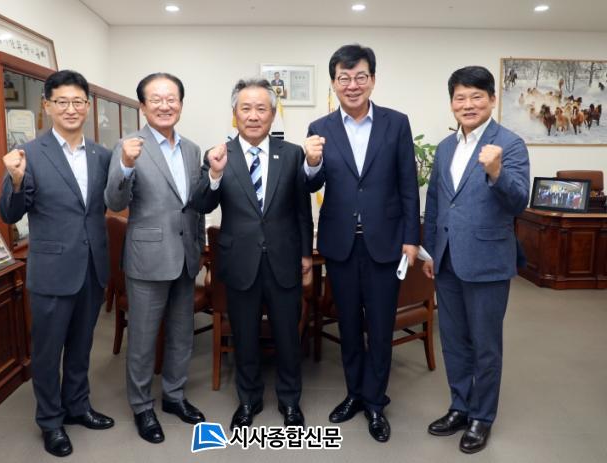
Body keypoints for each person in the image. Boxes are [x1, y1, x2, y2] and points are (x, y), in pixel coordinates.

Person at [302, 44, 420, 443]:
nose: (352, 85)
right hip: (340, 244)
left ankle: (375, 401)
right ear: (334, 83)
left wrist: (411, 238)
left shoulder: (396, 123)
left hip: (385, 243)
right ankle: (354, 393)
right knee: (349, 325)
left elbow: (408, 185)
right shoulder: (319, 127)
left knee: (380, 327)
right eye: (344, 78)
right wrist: (311, 162)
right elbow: (312, 184)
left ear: (372, 79)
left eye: (360, 77)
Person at [0, 70, 114, 458]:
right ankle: (50, 421)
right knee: (48, 352)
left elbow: (109, 203)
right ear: (46, 106)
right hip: (51, 271)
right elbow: (10, 213)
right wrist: (16, 181)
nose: (70, 109)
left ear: (88, 106)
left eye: (77, 101)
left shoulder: (101, 155)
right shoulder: (29, 154)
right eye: (61, 101)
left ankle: (77, 405)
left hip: (92, 268)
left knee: (82, 346)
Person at [190, 78, 313, 430]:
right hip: (240, 261)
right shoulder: (218, 154)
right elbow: (202, 202)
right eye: (246, 108)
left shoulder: (292, 154)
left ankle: (290, 401)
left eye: (261, 108)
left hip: (283, 259)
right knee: (244, 336)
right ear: (235, 113)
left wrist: (306, 254)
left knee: (288, 336)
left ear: (272, 114)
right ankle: (248, 400)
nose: (254, 115)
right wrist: (214, 174)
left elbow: (301, 209)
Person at [422, 66, 530, 454]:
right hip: (447, 260)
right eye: (460, 97)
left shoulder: (510, 144)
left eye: (476, 97)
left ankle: (482, 417)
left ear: (492, 99)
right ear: (452, 103)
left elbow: (519, 201)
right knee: (453, 341)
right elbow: (437, 202)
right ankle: (460, 406)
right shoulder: (445, 147)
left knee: (485, 345)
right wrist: (431, 251)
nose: (467, 104)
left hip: (487, 260)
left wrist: (496, 172)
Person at [104, 72, 206, 445]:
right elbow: (114, 201)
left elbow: (195, 205)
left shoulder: (192, 149)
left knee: (182, 334)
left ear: (181, 103)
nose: (165, 106)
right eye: (156, 99)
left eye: (171, 99)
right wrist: (126, 165)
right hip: (148, 258)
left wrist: (198, 246)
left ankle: (174, 396)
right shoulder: (128, 146)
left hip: (185, 257)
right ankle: (142, 406)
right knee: (144, 340)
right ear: (143, 106)